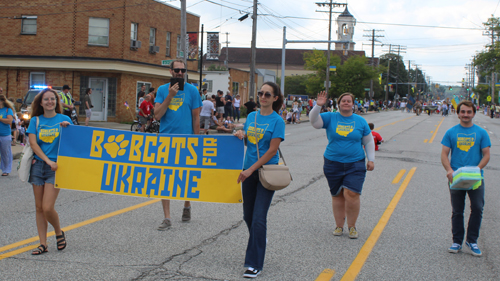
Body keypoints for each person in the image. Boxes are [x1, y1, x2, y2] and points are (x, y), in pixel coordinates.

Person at [233, 82, 285, 278]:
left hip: (266, 173)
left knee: (258, 218)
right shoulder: (252, 116)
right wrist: (241, 134)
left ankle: (254, 264)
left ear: (275, 98)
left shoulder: (277, 121)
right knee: (248, 216)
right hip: (248, 171)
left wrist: (251, 170)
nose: (263, 97)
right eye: (261, 93)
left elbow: (272, 150)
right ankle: (259, 239)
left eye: (267, 94)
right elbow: (250, 140)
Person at [310, 91, 375, 239]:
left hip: (355, 163)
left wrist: (371, 159)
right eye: (343, 101)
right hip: (333, 163)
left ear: (353, 104)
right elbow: (314, 122)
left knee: (351, 193)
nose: (346, 103)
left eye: (349, 101)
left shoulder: (360, 121)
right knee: (337, 195)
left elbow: (369, 141)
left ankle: (352, 227)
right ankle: (339, 226)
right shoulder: (330, 117)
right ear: (339, 104)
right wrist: (318, 106)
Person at [154, 59, 202, 230]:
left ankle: (187, 205)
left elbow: (196, 118)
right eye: (177, 70)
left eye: (183, 70)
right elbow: (157, 116)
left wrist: (197, 142)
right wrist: (170, 96)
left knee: (186, 176)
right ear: (170, 71)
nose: (180, 73)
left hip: (187, 141)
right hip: (166, 140)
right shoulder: (161, 90)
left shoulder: (192, 91)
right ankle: (167, 217)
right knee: (164, 178)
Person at [441, 100, 491, 257]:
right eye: (462, 112)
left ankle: (472, 240)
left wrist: (478, 169)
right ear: (458, 114)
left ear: (474, 113)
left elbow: (486, 154)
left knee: (477, 208)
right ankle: (457, 241)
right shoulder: (451, 132)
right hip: (456, 178)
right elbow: (444, 154)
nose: (465, 115)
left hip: (476, 178)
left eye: (469, 112)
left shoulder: (481, 133)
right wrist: (449, 170)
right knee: (457, 211)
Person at [26, 88, 72, 255]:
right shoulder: (35, 121)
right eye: (46, 99)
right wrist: (47, 161)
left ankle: (58, 231)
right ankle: (43, 244)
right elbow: (33, 144)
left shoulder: (65, 119)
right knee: (38, 208)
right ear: (41, 103)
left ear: (56, 102)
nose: (50, 102)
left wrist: (68, 128)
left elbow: (76, 141)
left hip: (57, 168)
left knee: (47, 207)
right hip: (39, 166)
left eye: (52, 99)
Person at [0, 94, 14, 176]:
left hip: (5, 135)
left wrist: (0, 119)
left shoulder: (8, 110)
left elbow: (9, 120)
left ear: (1, 101)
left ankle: (6, 169)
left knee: (5, 153)